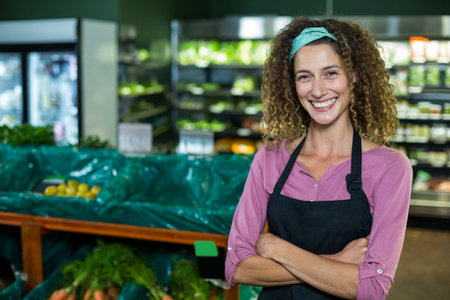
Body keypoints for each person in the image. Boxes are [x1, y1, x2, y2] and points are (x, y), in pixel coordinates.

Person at [224, 16, 412, 300]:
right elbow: (236, 268)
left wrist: (279, 250)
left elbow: (372, 287)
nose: (318, 90)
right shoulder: (269, 160)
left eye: (331, 73)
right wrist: (337, 260)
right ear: (292, 85)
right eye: (304, 76)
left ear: (355, 76)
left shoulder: (390, 167)